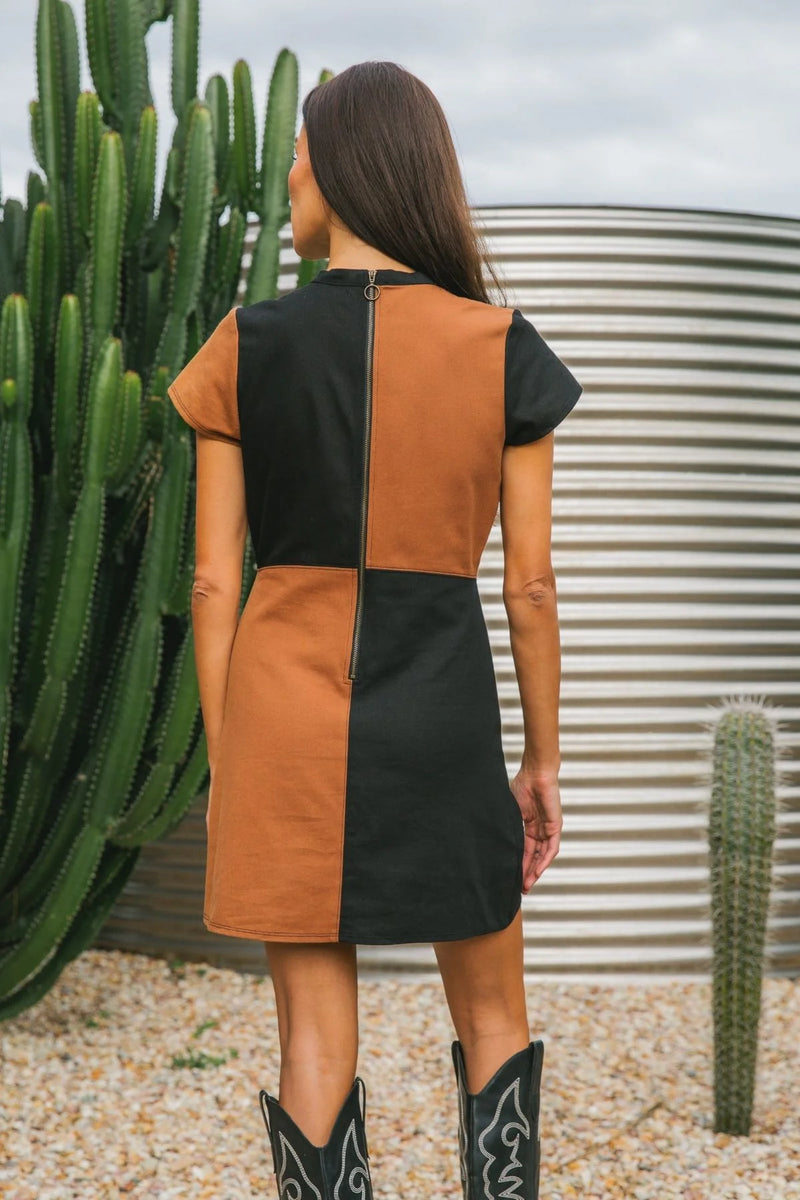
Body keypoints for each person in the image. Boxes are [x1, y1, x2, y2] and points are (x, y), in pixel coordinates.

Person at [167, 60, 582, 1200]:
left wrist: (233, 756)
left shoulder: (245, 345)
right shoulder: (501, 347)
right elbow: (531, 589)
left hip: (286, 718)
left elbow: (212, 585)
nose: (288, 174)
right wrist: (541, 762)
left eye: (298, 151)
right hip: (442, 714)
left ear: (343, 167)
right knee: (494, 1019)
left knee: (310, 1040)